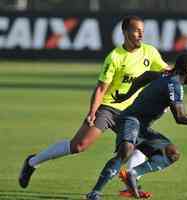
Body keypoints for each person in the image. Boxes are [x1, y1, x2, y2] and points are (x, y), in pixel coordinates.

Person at [18, 15, 170, 197]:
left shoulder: (149, 52)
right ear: (125, 31)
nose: (140, 34)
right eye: (136, 30)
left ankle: (131, 183)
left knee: (141, 146)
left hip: (131, 113)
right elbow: (101, 88)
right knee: (78, 146)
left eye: (142, 31)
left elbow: (167, 72)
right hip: (108, 109)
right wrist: (92, 112)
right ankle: (32, 162)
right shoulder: (114, 57)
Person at [86, 53, 187, 200]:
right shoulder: (173, 85)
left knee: (172, 153)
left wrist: (126, 95)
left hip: (142, 127)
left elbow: (145, 76)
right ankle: (95, 193)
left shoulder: (166, 75)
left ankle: (133, 174)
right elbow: (180, 117)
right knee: (126, 151)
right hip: (130, 119)